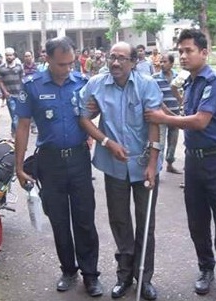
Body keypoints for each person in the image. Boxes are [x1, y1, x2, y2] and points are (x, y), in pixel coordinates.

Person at [144, 29, 216, 301]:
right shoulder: (191, 82)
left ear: (204, 53)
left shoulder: (215, 81)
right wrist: (166, 111)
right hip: (194, 162)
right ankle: (206, 269)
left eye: (189, 51)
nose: (183, 56)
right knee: (197, 222)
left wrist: (162, 118)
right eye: (181, 51)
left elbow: (199, 121)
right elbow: (187, 117)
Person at [14, 36, 102, 297]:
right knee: (60, 220)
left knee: (84, 219)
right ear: (47, 59)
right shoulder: (32, 86)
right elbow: (22, 126)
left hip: (78, 160)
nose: (67, 69)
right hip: (49, 162)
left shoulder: (82, 83)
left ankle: (91, 275)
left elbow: (94, 113)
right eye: (62, 64)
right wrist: (19, 167)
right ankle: (68, 270)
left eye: (71, 63)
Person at [79, 41, 163, 300]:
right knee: (119, 221)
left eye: (121, 58)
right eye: (111, 57)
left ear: (133, 62)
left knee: (145, 224)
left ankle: (144, 278)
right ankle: (124, 275)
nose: (115, 63)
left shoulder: (147, 84)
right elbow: (83, 117)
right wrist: (106, 142)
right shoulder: (96, 84)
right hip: (113, 166)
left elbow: (154, 124)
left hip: (143, 165)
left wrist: (151, 164)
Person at [152, 53, 182, 174]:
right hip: (162, 115)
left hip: (175, 113)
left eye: (165, 62)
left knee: (173, 141)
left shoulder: (178, 77)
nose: (162, 64)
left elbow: (182, 95)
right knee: (160, 142)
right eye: (161, 62)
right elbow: (157, 100)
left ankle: (170, 163)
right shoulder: (155, 78)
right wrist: (171, 115)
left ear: (171, 63)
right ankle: (157, 168)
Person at [0, 47, 24, 139]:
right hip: (10, 96)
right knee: (15, 116)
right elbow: (0, 81)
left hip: (19, 95)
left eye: (10, 55)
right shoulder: (2, 68)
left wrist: (23, 91)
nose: (9, 57)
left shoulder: (19, 67)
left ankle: (14, 132)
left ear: (14, 56)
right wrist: (5, 92)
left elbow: (22, 79)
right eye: (7, 55)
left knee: (18, 116)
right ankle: (19, 137)